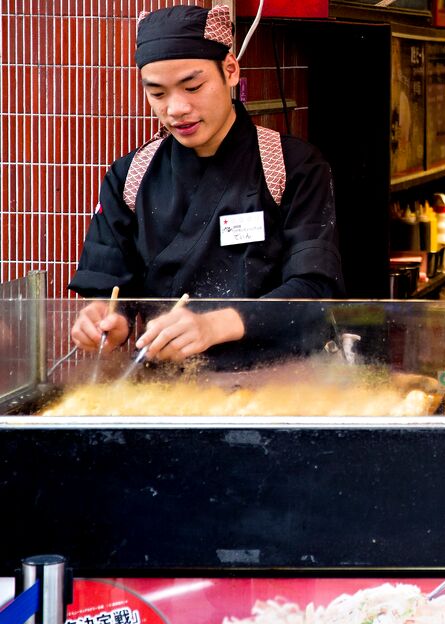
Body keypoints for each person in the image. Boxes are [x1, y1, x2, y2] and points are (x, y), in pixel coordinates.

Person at [68, 5, 343, 368]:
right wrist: (104, 319)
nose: (177, 108)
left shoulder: (292, 166)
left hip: (279, 382)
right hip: (171, 388)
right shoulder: (130, 176)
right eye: (157, 93)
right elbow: (107, 286)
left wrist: (213, 324)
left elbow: (316, 290)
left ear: (230, 70)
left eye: (193, 86)